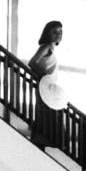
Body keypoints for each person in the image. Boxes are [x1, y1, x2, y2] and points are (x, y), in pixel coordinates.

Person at [28, 20, 63, 149]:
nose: (58, 34)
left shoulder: (51, 49)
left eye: (60, 32)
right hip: (44, 85)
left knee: (52, 111)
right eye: (55, 32)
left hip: (49, 86)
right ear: (47, 33)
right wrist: (43, 77)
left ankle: (46, 139)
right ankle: (41, 139)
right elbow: (33, 62)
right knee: (46, 112)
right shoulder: (46, 47)